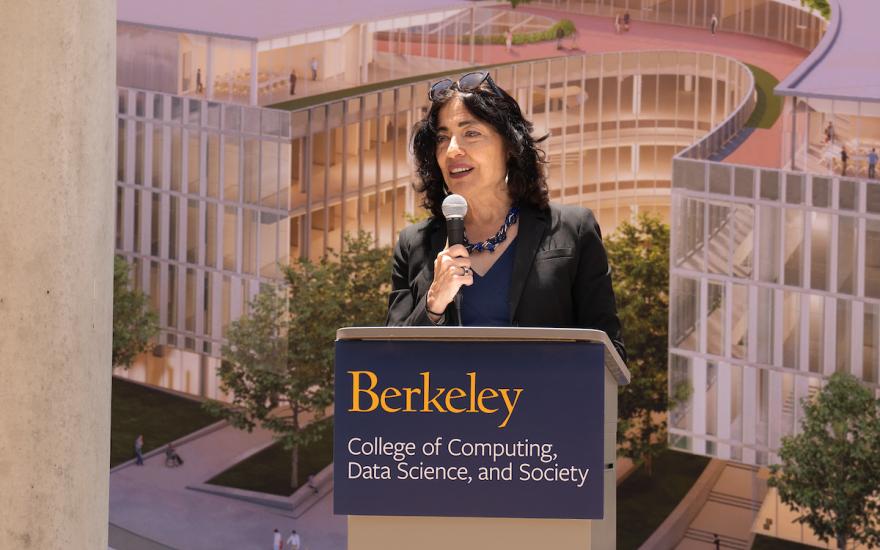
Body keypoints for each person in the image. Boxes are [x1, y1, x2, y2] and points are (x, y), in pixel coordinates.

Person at [387, 70, 626, 363]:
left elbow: (612, 356)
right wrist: (434, 303)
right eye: (442, 138)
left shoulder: (573, 230)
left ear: (510, 147)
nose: (452, 150)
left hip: (545, 407)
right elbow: (392, 363)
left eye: (471, 133)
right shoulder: (414, 244)